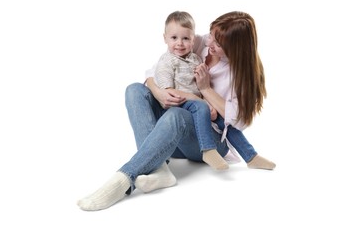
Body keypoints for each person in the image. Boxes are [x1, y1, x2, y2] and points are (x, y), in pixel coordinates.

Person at [77, 11, 276, 211]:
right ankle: (160, 169)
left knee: (177, 115)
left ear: (236, 50)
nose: (209, 43)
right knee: (134, 90)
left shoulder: (240, 74)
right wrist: (160, 92)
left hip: (210, 139)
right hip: (176, 135)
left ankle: (123, 179)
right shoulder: (197, 43)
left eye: (218, 43)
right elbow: (153, 72)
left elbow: (240, 121)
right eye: (211, 36)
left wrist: (205, 89)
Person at [154, 11, 228, 171]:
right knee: (200, 106)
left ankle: (250, 155)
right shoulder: (167, 61)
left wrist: (207, 101)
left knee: (224, 123)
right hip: (178, 105)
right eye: (174, 38)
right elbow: (168, 91)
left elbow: (201, 88)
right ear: (165, 38)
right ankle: (208, 149)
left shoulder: (195, 59)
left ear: (193, 40)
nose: (180, 43)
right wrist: (201, 101)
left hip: (196, 119)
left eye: (186, 38)